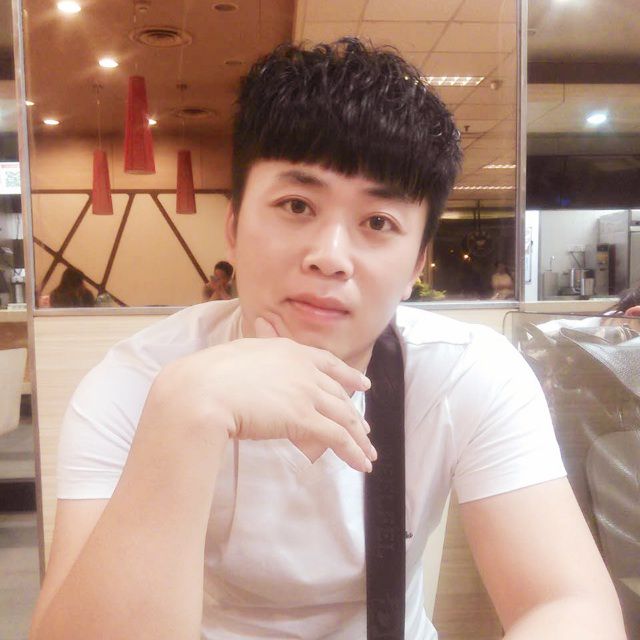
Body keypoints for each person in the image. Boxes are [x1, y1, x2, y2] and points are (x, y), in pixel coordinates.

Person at [29, 39, 625, 640]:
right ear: (233, 226)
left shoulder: (467, 374)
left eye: (377, 222)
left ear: (417, 264)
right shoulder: (137, 384)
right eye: (296, 205)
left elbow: (569, 603)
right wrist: (186, 415)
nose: (330, 256)